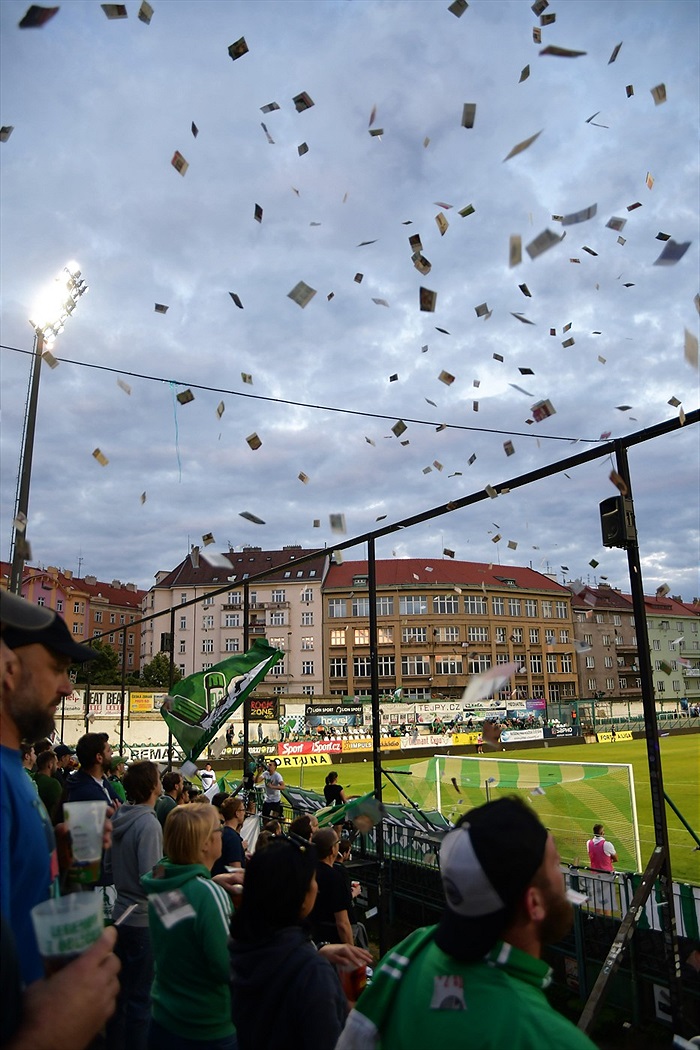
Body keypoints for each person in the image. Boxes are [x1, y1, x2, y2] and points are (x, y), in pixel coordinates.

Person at [336, 797, 599, 1050]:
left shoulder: (413, 951)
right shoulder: (549, 1038)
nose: (563, 878)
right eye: (555, 864)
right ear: (535, 903)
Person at [0, 602, 101, 983]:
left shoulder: (13, 769)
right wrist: (53, 1030)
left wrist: (53, 857)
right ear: (9, 668)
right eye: (57, 668)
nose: (67, 687)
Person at [229, 836, 372, 1050]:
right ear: (301, 896)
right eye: (312, 880)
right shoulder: (314, 975)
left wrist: (317, 952)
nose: (316, 886)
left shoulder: (238, 944)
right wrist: (349, 1011)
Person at [141, 804, 236, 1050]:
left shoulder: (162, 881)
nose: (223, 832)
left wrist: (206, 883)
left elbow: (182, 924)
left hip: (164, 1020)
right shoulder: (208, 895)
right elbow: (227, 966)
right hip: (205, 1028)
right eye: (219, 827)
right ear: (205, 843)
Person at [107, 761, 163, 1050]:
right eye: (158, 777)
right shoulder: (148, 823)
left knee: (122, 997)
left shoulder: (121, 816)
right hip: (141, 921)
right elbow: (149, 879)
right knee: (141, 1001)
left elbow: (109, 867)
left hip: (121, 914)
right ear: (152, 785)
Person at [309, 828, 353, 946]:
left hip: (309, 938)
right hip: (331, 942)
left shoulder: (306, 870)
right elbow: (342, 922)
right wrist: (351, 949)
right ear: (333, 849)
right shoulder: (335, 877)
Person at [65, 732, 122, 807]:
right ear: (99, 757)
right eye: (108, 750)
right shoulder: (86, 790)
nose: (112, 753)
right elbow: (116, 813)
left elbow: (121, 805)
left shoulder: (102, 781)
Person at [211, 796, 247, 875]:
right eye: (243, 810)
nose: (244, 813)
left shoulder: (220, 832)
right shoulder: (232, 838)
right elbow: (236, 870)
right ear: (237, 813)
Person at [34, 749, 62, 821]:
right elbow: (59, 809)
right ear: (50, 765)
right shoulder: (53, 784)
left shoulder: (31, 778)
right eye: (56, 763)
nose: (57, 766)